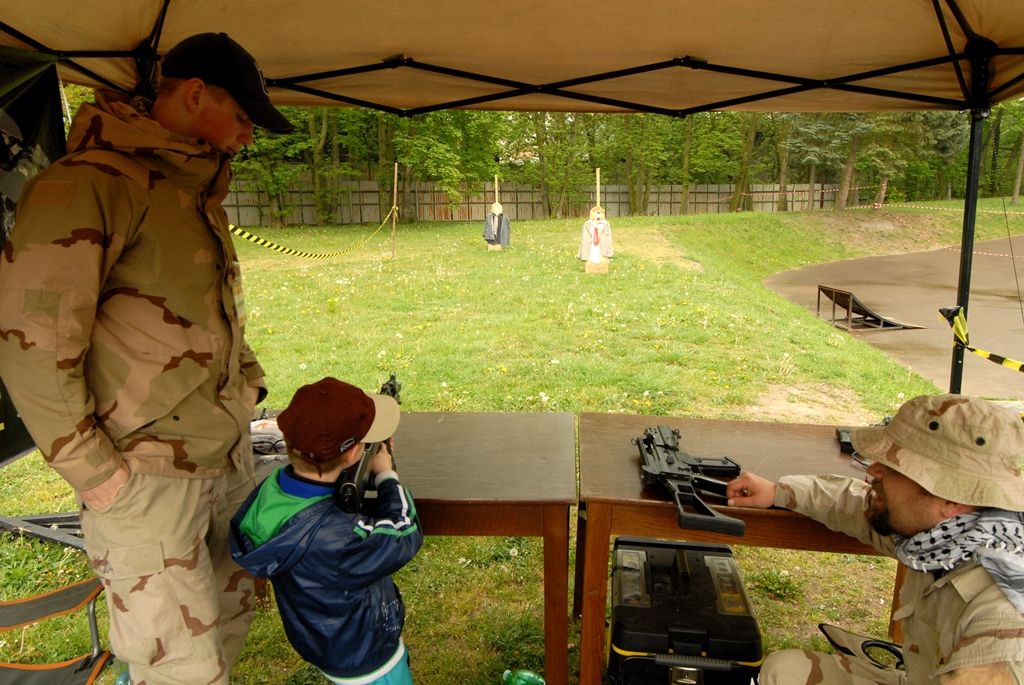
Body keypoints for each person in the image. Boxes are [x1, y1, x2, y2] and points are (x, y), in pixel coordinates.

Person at [0, 32, 294, 684]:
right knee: (180, 672)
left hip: (221, 461)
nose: (248, 136)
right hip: (144, 480)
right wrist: (97, 475)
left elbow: (215, 311)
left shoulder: (190, 188)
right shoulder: (88, 186)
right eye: (243, 116)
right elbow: (31, 348)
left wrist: (248, 386)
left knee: (219, 643)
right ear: (194, 94)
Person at [725, 394, 1024, 685]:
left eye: (896, 466)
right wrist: (780, 492)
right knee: (786, 671)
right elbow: (857, 506)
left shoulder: (1003, 627)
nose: (873, 470)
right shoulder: (952, 535)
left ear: (951, 499)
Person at [230, 377, 423, 685]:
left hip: (323, 638)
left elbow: (315, 503)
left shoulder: (274, 489)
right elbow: (403, 532)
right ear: (352, 453)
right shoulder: (339, 537)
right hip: (367, 657)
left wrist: (358, 471)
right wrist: (386, 474)